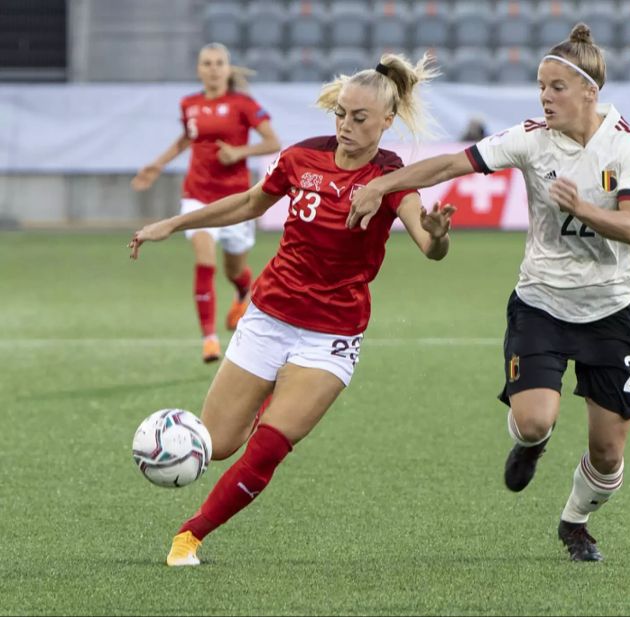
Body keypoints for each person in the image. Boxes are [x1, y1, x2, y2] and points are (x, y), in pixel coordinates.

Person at [128, 53, 456, 566]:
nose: (346, 125)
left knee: (268, 447)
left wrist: (437, 238)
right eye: (341, 114)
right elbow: (251, 202)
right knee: (216, 446)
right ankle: (269, 395)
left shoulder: (392, 178)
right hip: (268, 316)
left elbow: (426, 242)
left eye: (360, 118)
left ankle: (189, 536)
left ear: (387, 121)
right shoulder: (303, 157)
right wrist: (174, 223)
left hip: (330, 335)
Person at [348, 24, 630, 562]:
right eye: (540, 85)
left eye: (556, 87)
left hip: (611, 310)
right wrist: (381, 184)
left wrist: (580, 207)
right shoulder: (531, 138)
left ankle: (574, 521)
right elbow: (449, 164)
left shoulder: (629, 145)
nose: (544, 96)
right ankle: (531, 444)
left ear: (589, 91)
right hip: (541, 303)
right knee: (536, 419)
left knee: (607, 455)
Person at [131, 42, 282, 363]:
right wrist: (157, 164)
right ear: (199, 69)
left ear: (227, 69)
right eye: (207, 63)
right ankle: (209, 339)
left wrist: (240, 152)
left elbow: (273, 141)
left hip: (235, 200)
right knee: (204, 260)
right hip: (197, 195)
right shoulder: (189, 103)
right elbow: (188, 137)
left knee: (234, 270)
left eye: (218, 63)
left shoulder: (242, 104)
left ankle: (243, 291)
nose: (213, 69)